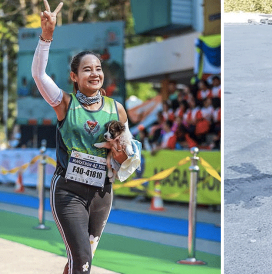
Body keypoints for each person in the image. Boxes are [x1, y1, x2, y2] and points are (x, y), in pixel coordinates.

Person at [31, 2, 140, 273]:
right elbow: (38, 74)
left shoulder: (118, 110)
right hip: (68, 191)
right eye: (88, 69)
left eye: (99, 68)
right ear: (74, 76)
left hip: (102, 195)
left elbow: (127, 159)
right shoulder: (65, 104)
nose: (95, 73)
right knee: (82, 262)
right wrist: (46, 36)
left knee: (78, 261)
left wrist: (119, 151)